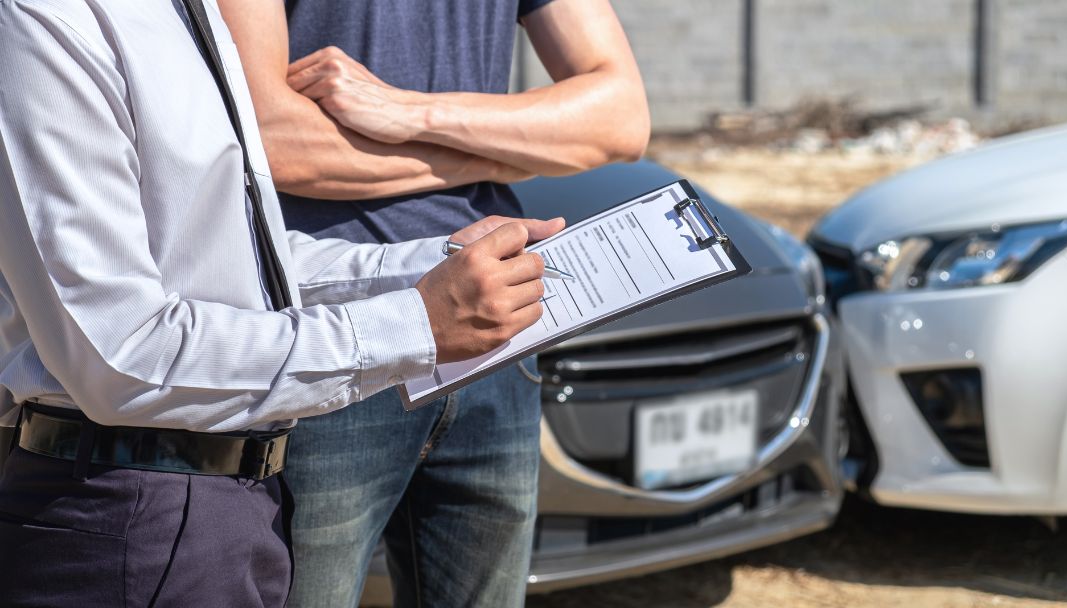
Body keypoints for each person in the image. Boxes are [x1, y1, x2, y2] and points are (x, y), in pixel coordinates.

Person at [0, 1, 563, 606]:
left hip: (239, 506)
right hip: (125, 512)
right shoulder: (44, 17)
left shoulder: (183, 11)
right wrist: (413, 324)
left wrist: (433, 262)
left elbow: (242, 264)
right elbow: (122, 355)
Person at [217, 1, 649, 605]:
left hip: (500, 325)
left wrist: (406, 111)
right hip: (334, 329)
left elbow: (620, 118)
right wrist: (507, 149)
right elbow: (271, 138)